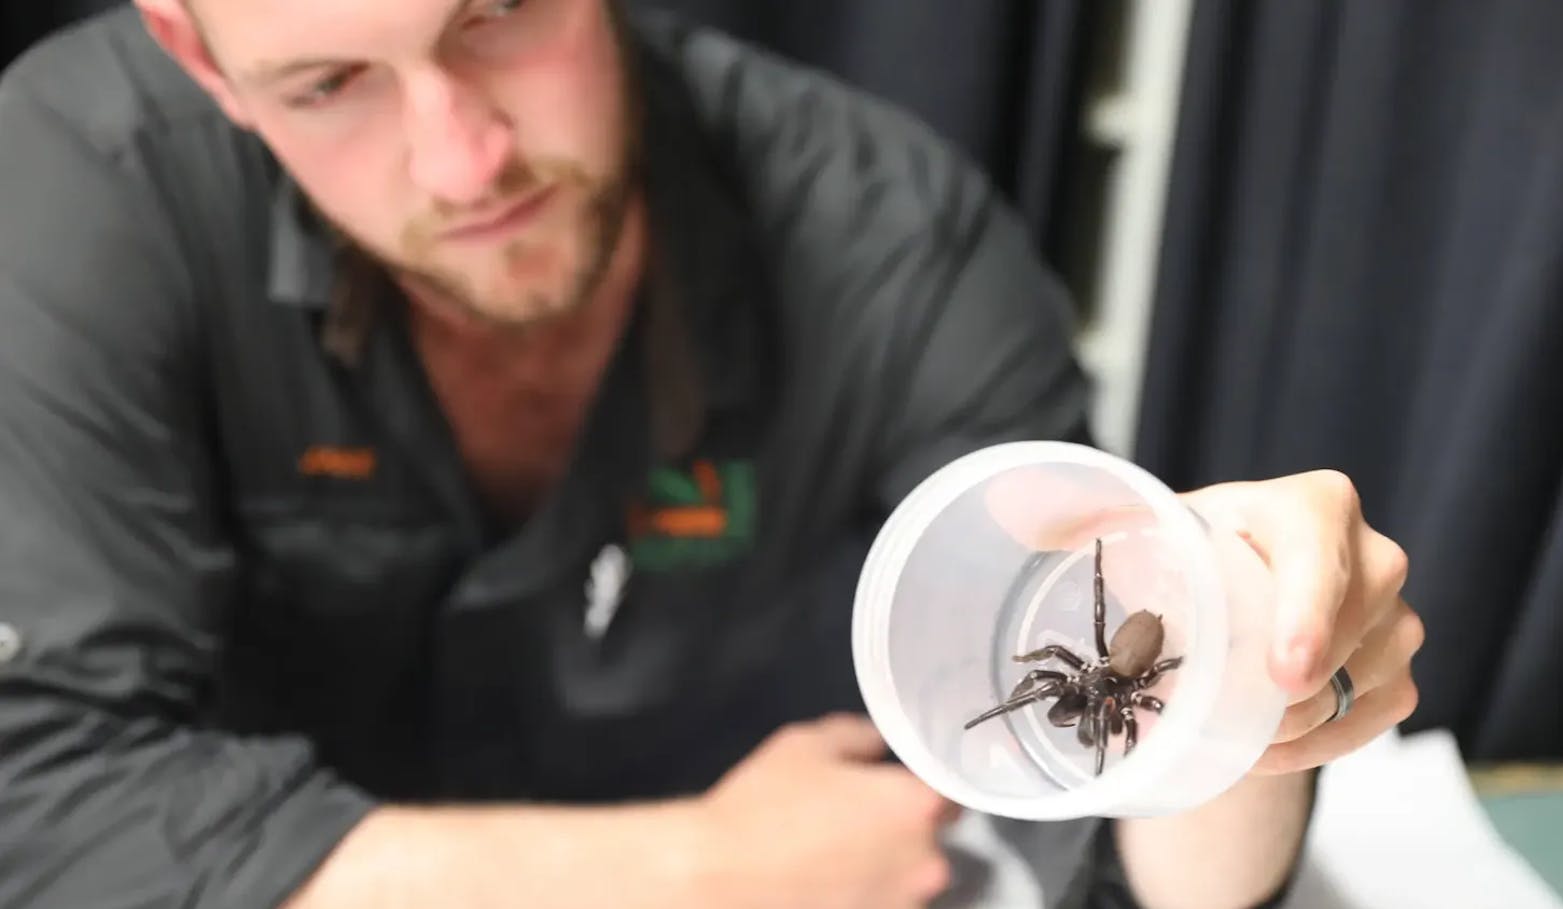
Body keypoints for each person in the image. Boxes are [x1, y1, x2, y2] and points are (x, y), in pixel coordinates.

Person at [0, 1, 1424, 907]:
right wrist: (702, 868)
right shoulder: (80, 193)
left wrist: (1246, 674)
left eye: (498, 15)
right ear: (200, 60)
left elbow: (1132, 865)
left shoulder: (889, 237)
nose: (460, 162)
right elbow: (40, 803)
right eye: (326, 84)